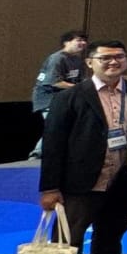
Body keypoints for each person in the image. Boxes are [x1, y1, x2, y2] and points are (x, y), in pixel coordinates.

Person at [38, 40, 127, 254]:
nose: (113, 62)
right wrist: (50, 188)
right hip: (80, 182)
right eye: (105, 58)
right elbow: (53, 145)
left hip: (121, 179)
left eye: (119, 56)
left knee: (112, 231)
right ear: (89, 62)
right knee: (68, 240)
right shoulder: (70, 97)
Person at [30, 30, 89, 159]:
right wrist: (79, 88)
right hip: (48, 100)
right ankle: (36, 155)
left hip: (65, 100)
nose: (83, 43)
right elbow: (54, 82)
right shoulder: (57, 58)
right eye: (79, 40)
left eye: (84, 40)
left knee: (64, 127)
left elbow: (82, 81)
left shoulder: (78, 60)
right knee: (55, 127)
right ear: (66, 42)